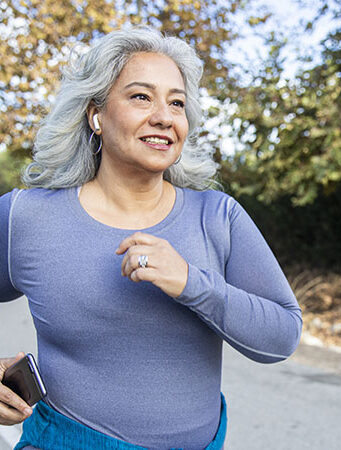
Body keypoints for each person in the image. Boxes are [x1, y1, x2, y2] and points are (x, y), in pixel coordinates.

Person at [0, 26, 302, 450]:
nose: (164, 116)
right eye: (141, 96)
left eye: (176, 102)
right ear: (96, 115)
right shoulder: (26, 216)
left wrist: (191, 283)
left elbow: (282, 337)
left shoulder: (218, 216)